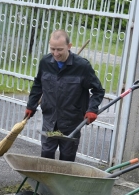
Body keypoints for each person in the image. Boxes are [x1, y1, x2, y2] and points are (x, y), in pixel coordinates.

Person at [25, 29, 105, 162]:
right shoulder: (45, 62)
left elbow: (98, 90)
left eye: (60, 50)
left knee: (67, 159)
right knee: (46, 155)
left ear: (69, 46)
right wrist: (31, 105)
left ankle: (62, 183)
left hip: (71, 121)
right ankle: (45, 183)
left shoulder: (82, 66)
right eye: (53, 49)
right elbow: (38, 85)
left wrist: (92, 110)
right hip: (50, 119)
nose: (55, 54)